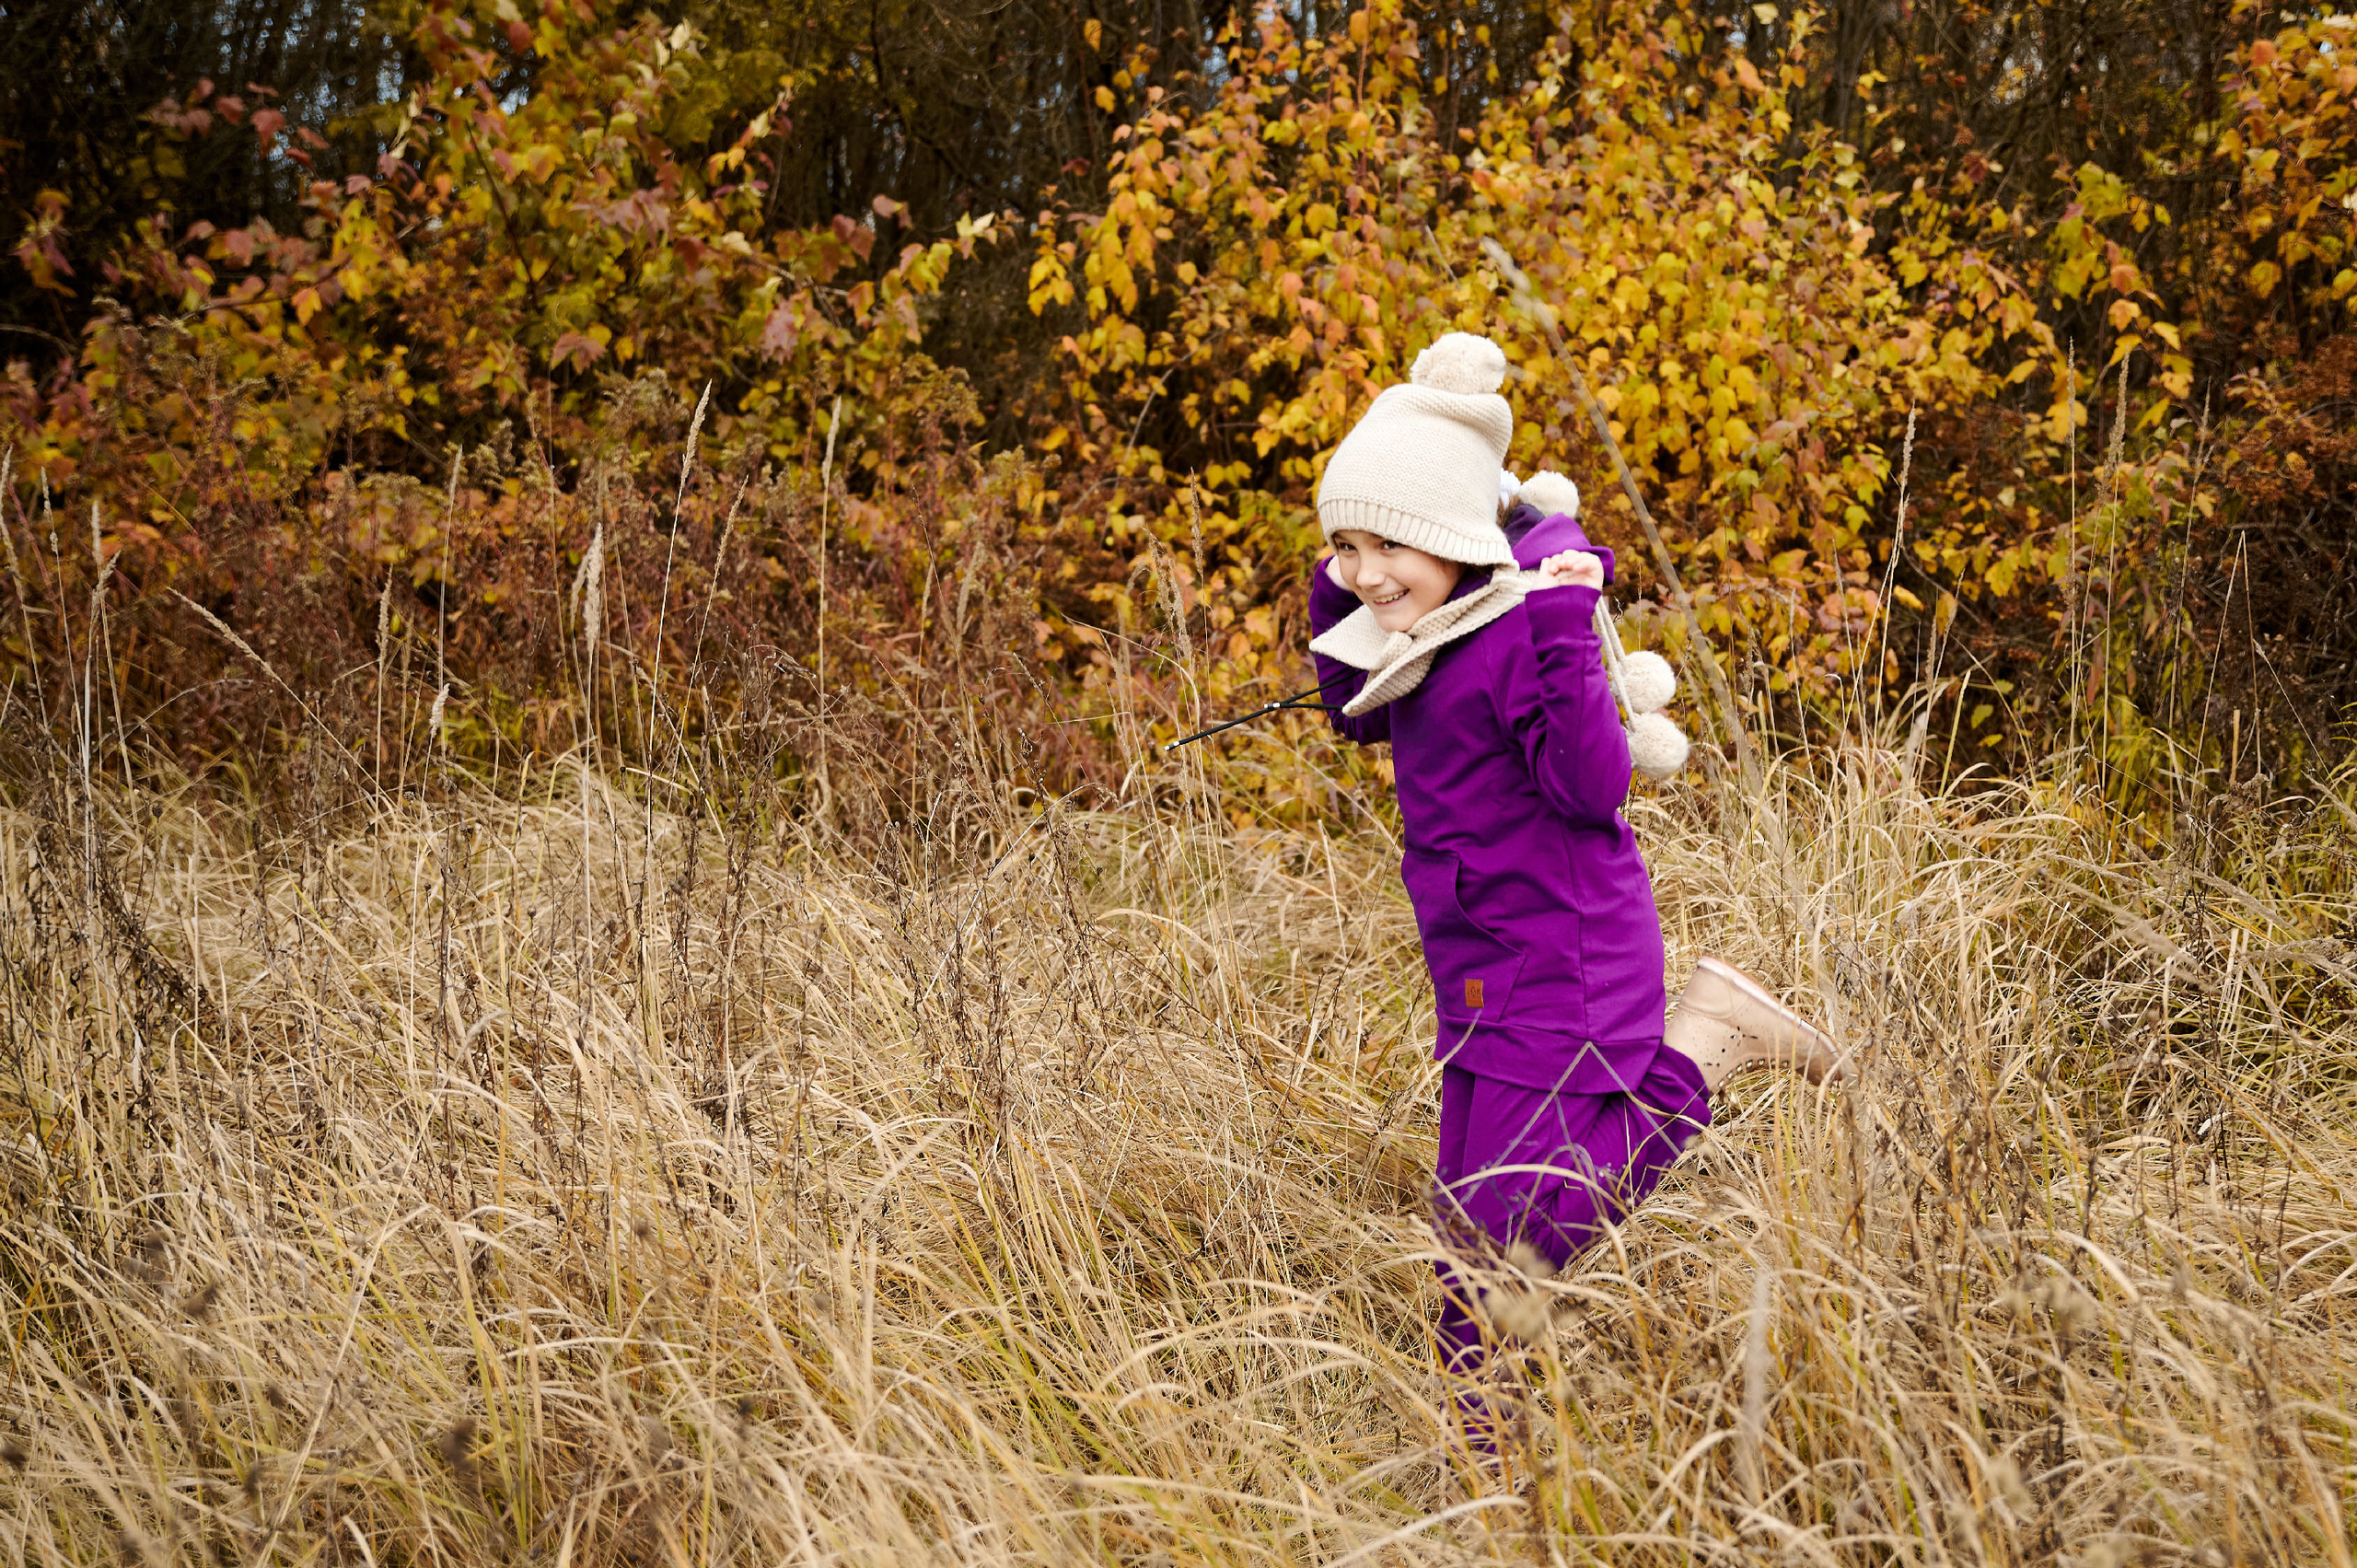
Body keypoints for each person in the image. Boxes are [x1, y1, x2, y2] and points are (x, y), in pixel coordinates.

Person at [1304, 331, 1843, 1447]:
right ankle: (1484, 1458)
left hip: (1563, 962)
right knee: (1466, 1233)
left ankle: (1708, 1044)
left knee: (1517, 1239)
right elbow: (1335, 686)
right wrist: (1350, 569)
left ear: (1451, 535)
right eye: (1344, 546)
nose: (1363, 571)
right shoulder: (1423, 637)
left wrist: (1557, 613)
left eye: (1384, 543)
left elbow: (1593, 787)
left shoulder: (1510, 636)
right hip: (1481, 979)